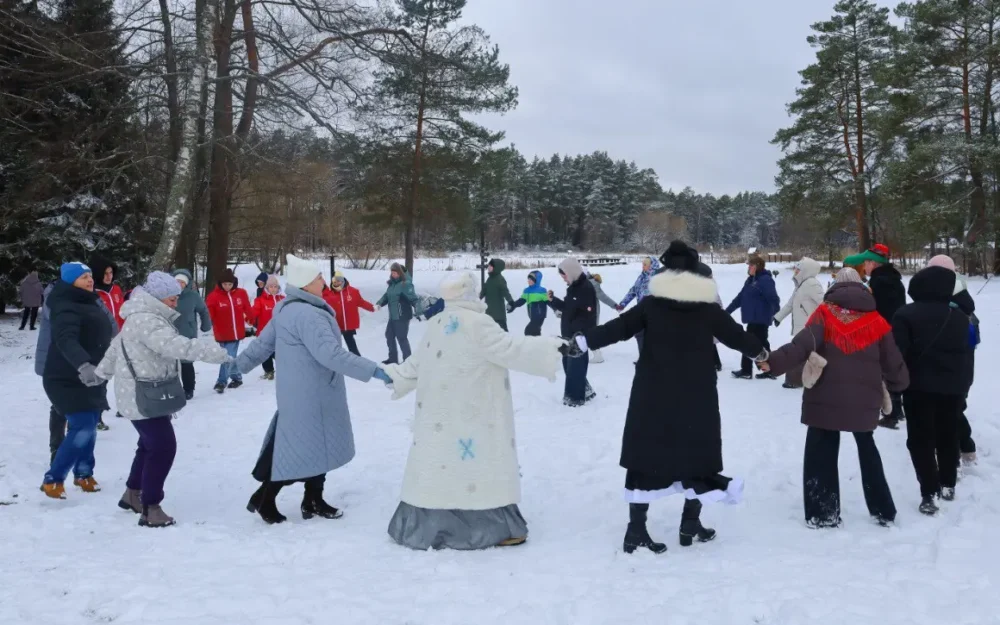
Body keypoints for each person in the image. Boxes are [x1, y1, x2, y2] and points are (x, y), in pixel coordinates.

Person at [575, 242, 766, 554]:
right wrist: (761, 354)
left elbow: (620, 327)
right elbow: (737, 337)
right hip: (697, 397)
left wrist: (584, 341)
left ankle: (636, 530)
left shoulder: (652, 306)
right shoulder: (707, 310)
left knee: (646, 456)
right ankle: (690, 523)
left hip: (653, 394)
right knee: (698, 455)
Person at [381, 273, 566, 550]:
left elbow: (415, 364)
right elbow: (511, 348)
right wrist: (552, 347)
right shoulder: (478, 323)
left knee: (439, 464)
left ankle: (426, 525)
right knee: (477, 467)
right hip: (474, 415)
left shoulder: (436, 323)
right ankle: (490, 525)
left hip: (440, 417)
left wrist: (394, 375)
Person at [236, 255, 390, 524]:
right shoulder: (309, 315)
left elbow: (262, 345)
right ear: (305, 284)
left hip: (300, 392)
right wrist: (374, 370)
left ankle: (312, 499)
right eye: (318, 277)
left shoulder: (285, 308)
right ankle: (266, 499)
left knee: (313, 444)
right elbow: (331, 355)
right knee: (299, 447)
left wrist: (236, 366)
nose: (323, 281)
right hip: (313, 393)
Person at [760, 268, 909, 528]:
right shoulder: (876, 321)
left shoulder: (824, 315)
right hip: (865, 399)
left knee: (821, 449)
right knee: (868, 449)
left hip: (824, 397)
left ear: (835, 288)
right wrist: (899, 383)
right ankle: (883, 509)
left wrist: (772, 362)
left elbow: (800, 346)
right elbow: (892, 359)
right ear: (863, 289)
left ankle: (823, 513)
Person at [93, 272, 232, 527]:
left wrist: (100, 373)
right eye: (171, 299)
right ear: (156, 298)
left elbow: (115, 347)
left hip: (142, 393)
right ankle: (151, 508)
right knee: (163, 447)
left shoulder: (141, 316)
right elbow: (177, 346)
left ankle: (132, 494)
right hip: (143, 395)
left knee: (148, 445)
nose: (175, 303)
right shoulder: (148, 320)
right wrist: (217, 353)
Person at [892, 265, 972, 516]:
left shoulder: (905, 314)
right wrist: (965, 385)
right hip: (954, 387)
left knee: (920, 440)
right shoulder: (962, 317)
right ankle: (948, 484)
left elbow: (897, 354)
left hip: (918, 387)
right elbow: (968, 355)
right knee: (948, 435)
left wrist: (894, 386)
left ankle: (929, 492)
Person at [40, 262, 114, 499]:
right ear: (70, 281)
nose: (90, 280)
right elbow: (65, 338)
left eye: (90, 275)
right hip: (66, 376)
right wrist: (83, 364)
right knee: (82, 425)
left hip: (91, 375)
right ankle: (53, 479)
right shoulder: (64, 304)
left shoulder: (89, 301)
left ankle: (83, 473)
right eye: (83, 277)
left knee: (90, 425)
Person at [849, 244, 907, 428]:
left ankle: (891, 413)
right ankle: (896, 408)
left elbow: (871, 309)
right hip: (895, 330)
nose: (864, 266)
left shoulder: (878, 283)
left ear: (873, 263)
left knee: (881, 371)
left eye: (866, 263)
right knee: (891, 369)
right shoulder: (893, 279)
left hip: (881, 332)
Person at [547, 258, 598, 407]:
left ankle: (574, 399)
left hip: (578, 337)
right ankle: (586, 391)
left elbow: (589, 316)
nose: (563, 278)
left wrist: (578, 333)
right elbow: (567, 308)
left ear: (571, 272)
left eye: (564, 275)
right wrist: (552, 300)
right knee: (568, 365)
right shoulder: (573, 287)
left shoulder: (585, 288)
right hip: (568, 334)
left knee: (575, 367)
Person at [773, 257, 825, 389]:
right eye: (795, 269)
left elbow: (824, 304)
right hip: (801, 327)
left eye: (798, 269)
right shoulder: (801, 285)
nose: (795, 271)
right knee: (802, 353)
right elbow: (790, 304)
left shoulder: (812, 284)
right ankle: (797, 380)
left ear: (805, 270)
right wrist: (778, 317)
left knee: (799, 353)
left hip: (809, 327)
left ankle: (795, 381)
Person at [725, 255, 780, 380]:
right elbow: (740, 298)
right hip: (753, 319)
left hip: (761, 319)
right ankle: (761, 370)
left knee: (755, 344)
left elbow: (774, 299)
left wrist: (777, 314)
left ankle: (760, 370)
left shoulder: (765, 280)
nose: (748, 268)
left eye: (750, 265)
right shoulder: (750, 280)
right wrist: (726, 312)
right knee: (754, 343)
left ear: (757, 266)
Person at [205, 269, 252, 393]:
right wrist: (206, 323)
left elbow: (247, 308)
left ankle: (221, 381)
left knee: (227, 356)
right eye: (225, 284)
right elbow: (209, 314)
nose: (227, 286)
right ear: (220, 283)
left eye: (230, 284)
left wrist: (252, 320)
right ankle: (237, 377)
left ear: (234, 283)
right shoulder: (213, 297)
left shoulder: (241, 293)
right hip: (222, 332)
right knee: (230, 357)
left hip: (236, 332)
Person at [171, 269, 212, 399]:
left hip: (187, 333)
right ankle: (171, 389)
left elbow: (203, 310)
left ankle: (189, 389)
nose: (180, 284)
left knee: (186, 362)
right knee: (170, 363)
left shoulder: (193, 296)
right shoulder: (167, 295)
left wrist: (206, 325)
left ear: (187, 283)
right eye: (177, 281)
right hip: (170, 333)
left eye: (182, 282)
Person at [616, 256, 662, 353]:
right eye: (642, 264)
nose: (643, 266)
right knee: (639, 334)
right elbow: (633, 291)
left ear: (651, 266)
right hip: (641, 312)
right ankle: (643, 357)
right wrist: (623, 304)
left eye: (645, 264)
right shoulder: (642, 277)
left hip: (653, 315)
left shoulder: (658, 279)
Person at [323, 271, 375, 357]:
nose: (336, 283)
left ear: (342, 280)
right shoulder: (329, 294)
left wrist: (372, 308)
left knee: (351, 346)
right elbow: (322, 298)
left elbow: (361, 302)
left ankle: (357, 360)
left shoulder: (352, 292)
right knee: (334, 345)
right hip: (336, 325)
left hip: (348, 325)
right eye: (334, 281)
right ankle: (336, 359)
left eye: (338, 281)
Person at [376, 263, 419, 365]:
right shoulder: (392, 284)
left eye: (395, 273)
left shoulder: (405, 284)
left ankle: (408, 362)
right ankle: (393, 359)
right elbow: (386, 296)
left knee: (401, 338)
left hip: (402, 316)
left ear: (400, 273)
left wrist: (419, 309)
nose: (393, 274)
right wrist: (379, 304)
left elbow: (414, 299)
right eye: (392, 272)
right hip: (393, 316)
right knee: (389, 335)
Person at [251, 275, 284, 379]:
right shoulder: (260, 300)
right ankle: (269, 371)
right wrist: (247, 316)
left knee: (280, 353)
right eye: (271, 287)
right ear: (267, 288)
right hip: (264, 332)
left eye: (275, 286)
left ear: (278, 287)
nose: (273, 289)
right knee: (264, 353)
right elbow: (253, 313)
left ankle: (286, 370)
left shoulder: (283, 299)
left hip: (280, 333)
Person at [587, 273, 619, 363]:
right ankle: (595, 352)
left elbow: (603, 297)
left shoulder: (592, 284)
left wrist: (615, 305)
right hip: (584, 312)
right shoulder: (581, 282)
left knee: (589, 332)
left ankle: (597, 354)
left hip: (590, 313)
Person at [508, 270, 549, 336]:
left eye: (531, 279)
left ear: (536, 280)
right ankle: (539, 342)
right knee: (535, 332)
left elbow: (549, 301)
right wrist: (513, 305)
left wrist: (555, 309)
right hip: (532, 315)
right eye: (528, 279)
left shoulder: (542, 290)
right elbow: (521, 301)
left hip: (540, 315)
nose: (529, 281)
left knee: (528, 331)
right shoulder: (527, 291)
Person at [480, 258, 516, 331]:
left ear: (496, 268)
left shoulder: (500, 280)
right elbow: (483, 291)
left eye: (491, 266)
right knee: (490, 333)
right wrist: (474, 299)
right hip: (489, 313)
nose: (488, 267)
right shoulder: (489, 279)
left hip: (499, 314)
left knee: (503, 333)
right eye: (489, 266)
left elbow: (505, 292)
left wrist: (510, 301)